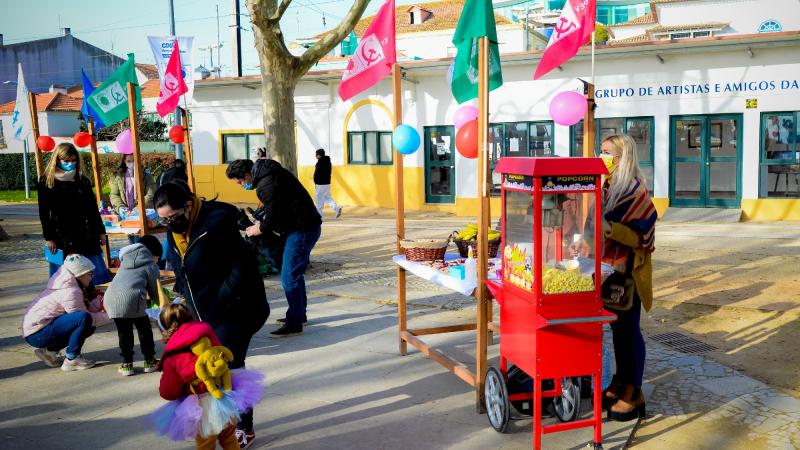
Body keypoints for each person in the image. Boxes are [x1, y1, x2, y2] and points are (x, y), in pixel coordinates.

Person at [153, 182, 268, 448]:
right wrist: (181, 297)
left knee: (229, 369)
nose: (170, 224)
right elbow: (182, 268)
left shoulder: (216, 224)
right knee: (214, 371)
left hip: (235, 311)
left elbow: (244, 267)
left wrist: (221, 300)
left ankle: (244, 427)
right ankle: (227, 423)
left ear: (189, 205)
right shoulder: (176, 231)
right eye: (164, 220)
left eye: (174, 217)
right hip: (203, 314)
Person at [574, 134, 656, 422]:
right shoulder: (606, 187)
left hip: (628, 271)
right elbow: (593, 224)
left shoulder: (635, 191)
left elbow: (642, 237)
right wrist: (584, 241)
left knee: (628, 330)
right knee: (615, 329)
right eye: (601, 151)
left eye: (608, 152)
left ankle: (634, 391)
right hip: (606, 268)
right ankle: (621, 380)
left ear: (623, 157)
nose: (603, 156)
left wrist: (611, 231)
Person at [225, 158, 321, 337]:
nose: (241, 186)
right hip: (300, 226)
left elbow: (273, 215)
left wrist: (257, 228)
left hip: (302, 229)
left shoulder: (266, 183)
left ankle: (295, 323)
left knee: (288, 276)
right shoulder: (269, 175)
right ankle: (298, 314)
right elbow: (276, 209)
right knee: (294, 274)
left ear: (247, 175)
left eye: (240, 182)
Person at [153, 303, 263, 450]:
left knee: (205, 444)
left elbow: (169, 392)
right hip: (225, 398)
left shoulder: (173, 356)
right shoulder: (206, 333)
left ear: (165, 330)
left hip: (201, 407)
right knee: (229, 438)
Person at [37, 142, 111, 284]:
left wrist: (100, 232)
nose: (70, 164)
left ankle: (93, 302)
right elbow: (44, 213)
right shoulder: (47, 182)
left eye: (73, 160)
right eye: (66, 161)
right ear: (57, 160)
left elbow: (92, 210)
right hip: (61, 236)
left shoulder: (82, 180)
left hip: (85, 235)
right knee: (64, 279)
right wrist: (49, 237)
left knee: (92, 276)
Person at [22, 254, 109, 371]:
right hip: (37, 333)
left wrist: (103, 303)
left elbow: (85, 306)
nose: (92, 277)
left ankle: (49, 352)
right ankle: (72, 359)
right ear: (80, 274)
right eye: (90, 273)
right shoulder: (70, 290)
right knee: (84, 320)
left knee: (88, 327)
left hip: (37, 329)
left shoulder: (70, 283)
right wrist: (110, 315)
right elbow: (84, 317)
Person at [103, 235, 165, 376]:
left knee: (124, 332)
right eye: (158, 257)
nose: (158, 260)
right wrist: (164, 305)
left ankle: (127, 364)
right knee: (144, 330)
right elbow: (156, 293)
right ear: (153, 254)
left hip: (112, 299)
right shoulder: (150, 265)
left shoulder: (125, 261)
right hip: (132, 299)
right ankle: (149, 361)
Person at [313, 149, 342, 218]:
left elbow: (317, 173)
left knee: (318, 199)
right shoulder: (328, 162)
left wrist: (316, 182)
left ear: (319, 155)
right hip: (327, 183)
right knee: (327, 197)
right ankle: (337, 208)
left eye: (316, 154)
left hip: (320, 184)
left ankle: (319, 216)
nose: (315, 156)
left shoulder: (319, 163)